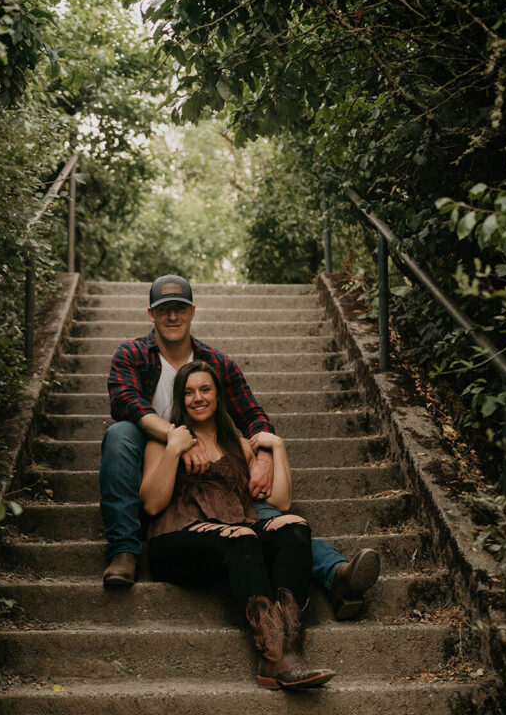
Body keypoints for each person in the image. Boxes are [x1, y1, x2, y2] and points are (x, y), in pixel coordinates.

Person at [100, 273, 380, 616]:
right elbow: (126, 402)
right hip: (160, 471)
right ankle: (124, 549)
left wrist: (263, 455)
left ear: (192, 311)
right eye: (164, 310)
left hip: (216, 481)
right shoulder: (132, 354)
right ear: (151, 315)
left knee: (271, 521)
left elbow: (253, 415)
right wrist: (177, 439)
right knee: (120, 434)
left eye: (180, 308)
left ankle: (337, 574)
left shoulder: (215, 363)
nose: (172, 317)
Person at [140, 360, 335, 689]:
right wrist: (175, 448)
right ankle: (274, 656)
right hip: (175, 541)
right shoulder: (162, 443)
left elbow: (281, 503)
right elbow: (152, 503)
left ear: (218, 396)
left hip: (236, 533)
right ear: (179, 399)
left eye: (205, 389)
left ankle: (287, 649)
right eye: (188, 393)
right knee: (243, 537)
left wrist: (278, 447)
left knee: (294, 527)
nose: (197, 398)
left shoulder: (240, 446)